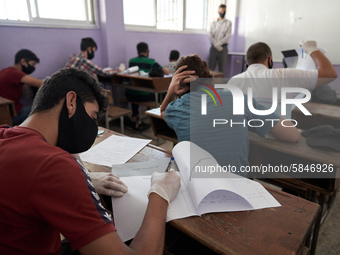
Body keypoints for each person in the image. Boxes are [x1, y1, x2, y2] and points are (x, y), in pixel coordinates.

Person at [0, 68, 181, 255]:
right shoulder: (52, 165)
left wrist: (86, 178)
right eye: (93, 117)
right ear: (71, 102)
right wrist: (160, 194)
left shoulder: (5, 135)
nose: (93, 127)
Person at [161, 54, 300, 176]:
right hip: (237, 186)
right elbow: (293, 135)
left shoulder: (175, 110)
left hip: (197, 188)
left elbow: (162, 111)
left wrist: (170, 92)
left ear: (178, 85)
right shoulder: (238, 98)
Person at [228, 41, 338, 118]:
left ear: (248, 62)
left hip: (246, 139)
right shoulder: (284, 75)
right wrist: (313, 50)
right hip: (277, 140)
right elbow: (330, 74)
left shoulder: (233, 81)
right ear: (270, 60)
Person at [126, 42, 169, 130]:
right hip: (143, 96)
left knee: (136, 89)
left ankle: (135, 115)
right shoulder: (151, 62)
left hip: (129, 95)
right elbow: (166, 72)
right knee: (163, 95)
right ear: (147, 51)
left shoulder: (131, 61)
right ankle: (162, 119)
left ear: (137, 51)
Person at [0, 49, 44, 125]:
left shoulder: (6, 70)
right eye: (32, 64)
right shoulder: (15, 73)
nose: (33, 67)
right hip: (14, 114)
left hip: (6, 112)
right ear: (23, 61)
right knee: (45, 112)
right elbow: (42, 84)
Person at [208, 4, 232, 75]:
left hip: (223, 48)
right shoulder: (213, 23)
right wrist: (215, 44)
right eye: (221, 10)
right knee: (210, 68)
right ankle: (209, 85)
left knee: (222, 69)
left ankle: (220, 86)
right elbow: (210, 35)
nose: (222, 12)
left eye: (224, 11)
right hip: (213, 47)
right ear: (218, 11)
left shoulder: (228, 23)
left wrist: (219, 44)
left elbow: (228, 35)